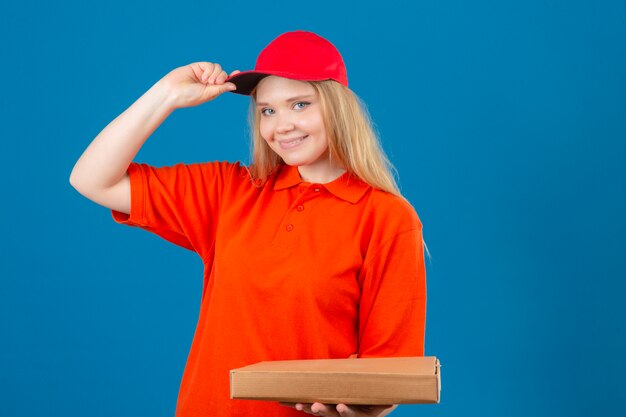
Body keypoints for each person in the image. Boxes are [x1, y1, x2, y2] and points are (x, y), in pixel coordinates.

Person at [70, 30, 427, 417]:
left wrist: (365, 409)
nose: (282, 125)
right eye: (267, 110)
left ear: (338, 107)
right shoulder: (231, 191)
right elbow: (91, 179)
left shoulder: (387, 217)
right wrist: (166, 95)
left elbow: (390, 371)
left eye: (300, 104)